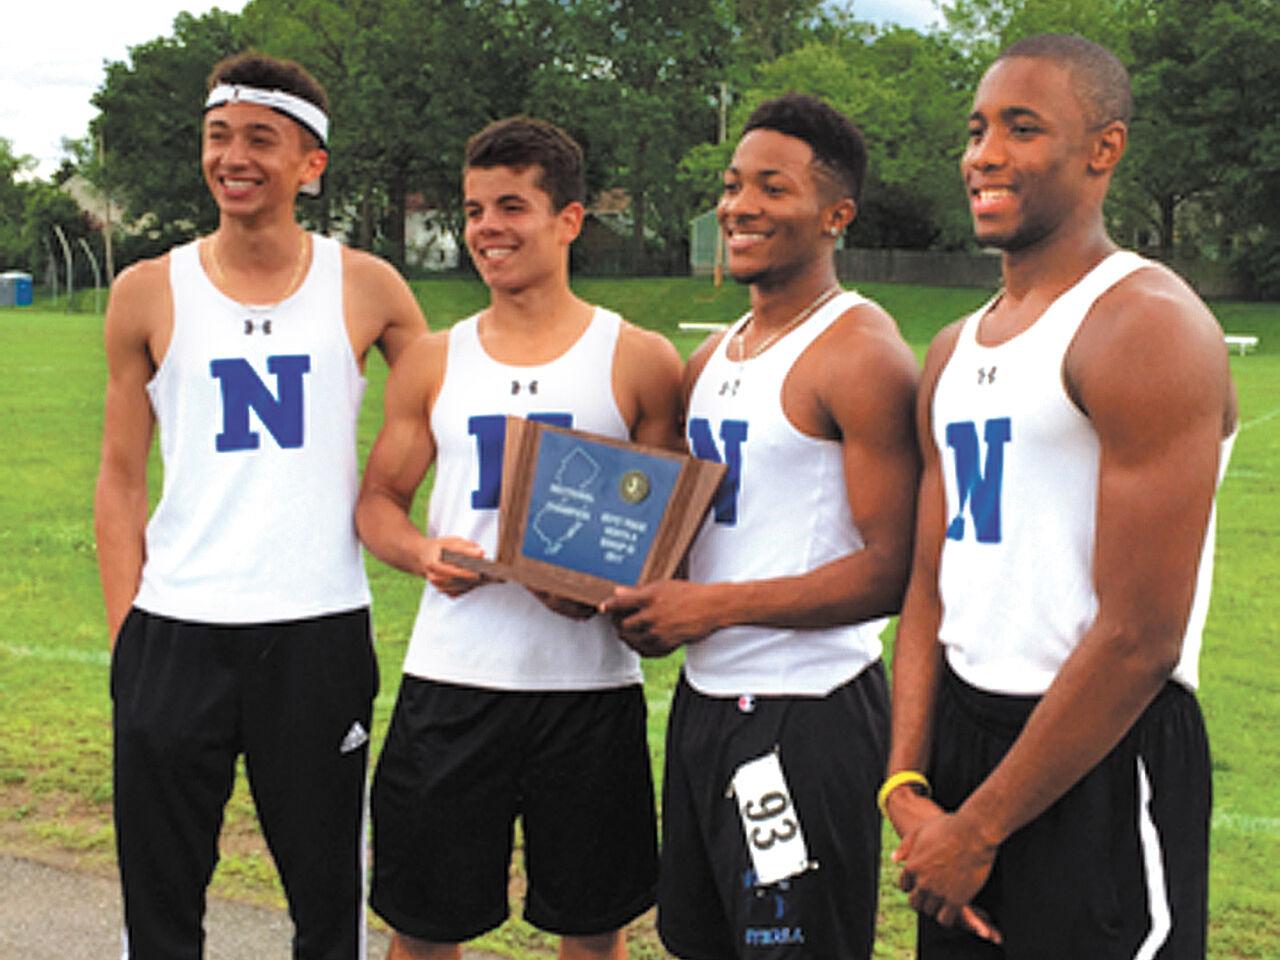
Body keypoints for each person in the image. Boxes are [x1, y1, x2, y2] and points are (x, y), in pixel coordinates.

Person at [882, 34, 1239, 959]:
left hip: (1104, 752)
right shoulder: (953, 349)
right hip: (965, 740)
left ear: (1103, 149)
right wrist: (908, 782)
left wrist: (981, 827)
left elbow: (1138, 637)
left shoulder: (1145, 326)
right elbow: (931, 583)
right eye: (976, 129)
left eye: (1022, 127)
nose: (983, 153)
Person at [93, 52, 426, 959]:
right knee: (160, 905)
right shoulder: (146, 290)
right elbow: (121, 478)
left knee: (326, 904)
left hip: (316, 631)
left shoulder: (368, 287)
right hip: (176, 633)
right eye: (218, 137)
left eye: (260, 140)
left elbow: (448, 408)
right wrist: (130, 633)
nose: (233, 157)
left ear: (310, 165)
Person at [602, 93, 920, 959]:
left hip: (803, 715)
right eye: (733, 185)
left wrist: (710, 608)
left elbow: (890, 569)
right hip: (707, 705)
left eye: (772, 188)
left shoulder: (861, 350)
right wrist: (620, 591)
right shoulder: (713, 354)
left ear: (835, 215)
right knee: (699, 941)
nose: (739, 206)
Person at [357, 116, 683, 960]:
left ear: (569, 219)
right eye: (473, 210)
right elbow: (380, 503)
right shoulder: (434, 359)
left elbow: (667, 539)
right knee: (423, 926)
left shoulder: (639, 359)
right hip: (453, 679)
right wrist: (424, 553)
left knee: (590, 924)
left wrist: (600, 589)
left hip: (587, 689)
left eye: (512, 206)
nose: (487, 229)